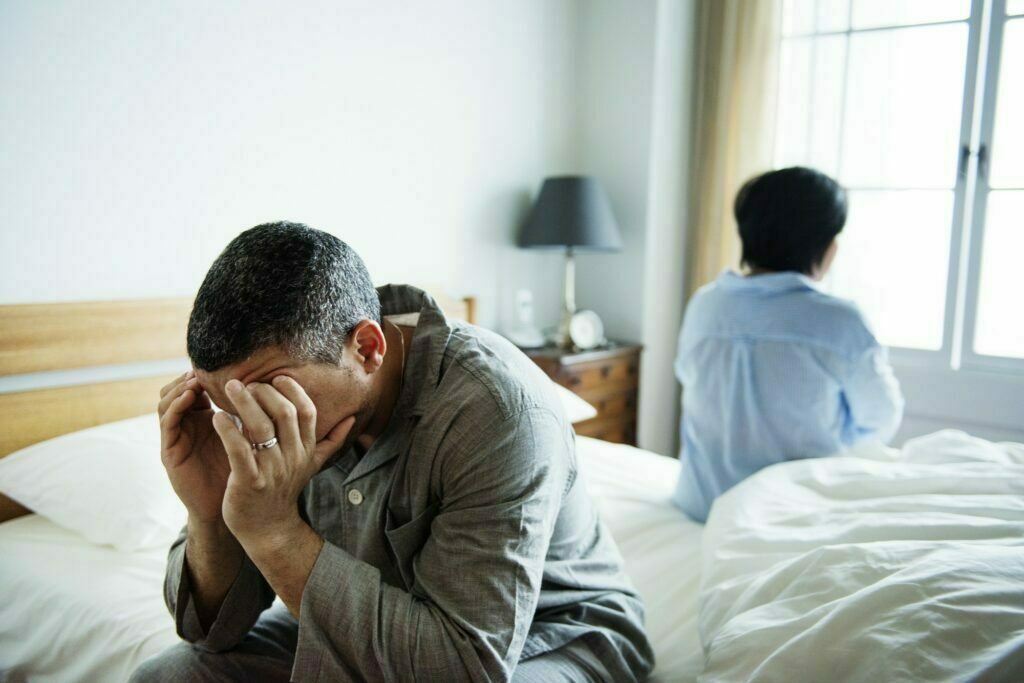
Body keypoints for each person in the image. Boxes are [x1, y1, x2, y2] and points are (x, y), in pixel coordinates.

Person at [132, 222, 654, 682]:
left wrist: (275, 532)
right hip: (362, 621)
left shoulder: (498, 411)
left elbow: (464, 667)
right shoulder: (267, 417)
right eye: (234, 406)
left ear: (367, 348)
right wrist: (210, 514)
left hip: (549, 632)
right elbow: (210, 636)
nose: (256, 426)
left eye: (277, 398)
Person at [672, 167, 904, 523]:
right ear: (826, 245)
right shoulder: (839, 321)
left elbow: (691, 383)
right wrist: (833, 434)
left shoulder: (705, 305)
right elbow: (880, 418)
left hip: (700, 505)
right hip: (789, 513)